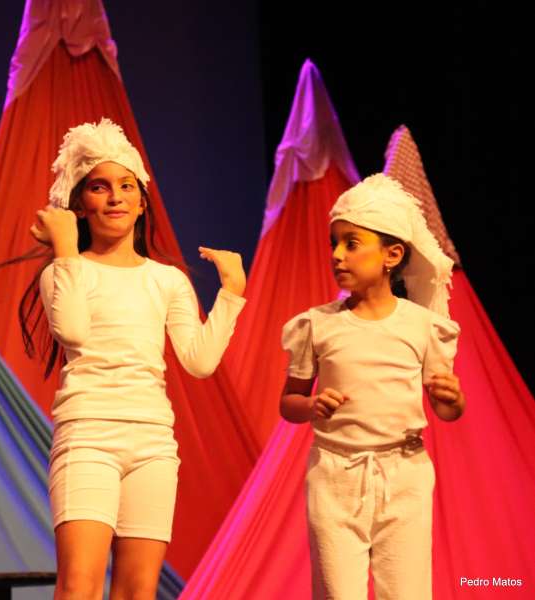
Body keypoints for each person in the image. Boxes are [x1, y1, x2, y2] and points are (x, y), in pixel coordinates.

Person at [27, 118, 246, 600]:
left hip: (152, 442)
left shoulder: (166, 280)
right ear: (80, 204)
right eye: (99, 187)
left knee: (138, 590)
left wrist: (232, 292)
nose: (115, 197)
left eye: (127, 186)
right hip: (88, 434)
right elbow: (73, 332)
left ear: (142, 202)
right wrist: (65, 248)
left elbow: (199, 361)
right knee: (79, 585)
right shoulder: (65, 270)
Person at [280, 173, 465, 600]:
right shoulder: (317, 325)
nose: (337, 255)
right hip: (335, 476)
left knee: (405, 591)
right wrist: (311, 406)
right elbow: (289, 402)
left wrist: (452, 400)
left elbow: (446, 409)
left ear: (391, 255)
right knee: (338, 591)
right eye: (334, 244)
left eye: (352, 243)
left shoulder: (422, 325)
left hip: (404, 474)